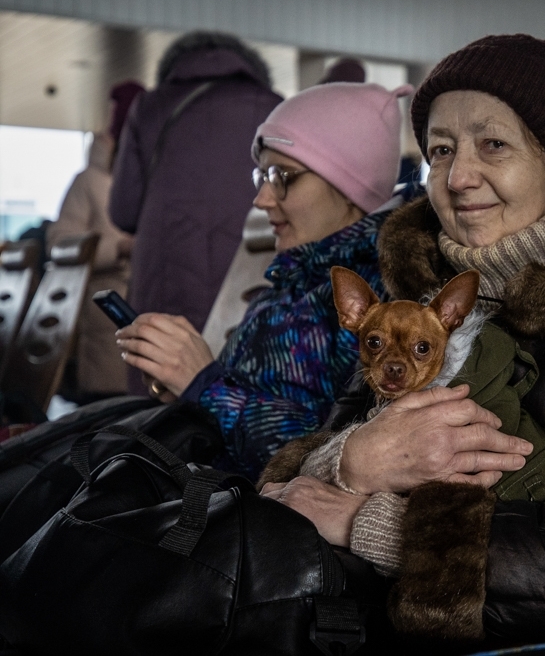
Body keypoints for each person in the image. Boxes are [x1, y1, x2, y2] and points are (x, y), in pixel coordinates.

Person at [262, 34, 545, 647]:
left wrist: (378, 527)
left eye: (493, 145)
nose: (457, 177)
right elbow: (321, 458)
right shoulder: (414, 305)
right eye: (440, 150)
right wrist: (350, 460)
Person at [115, 82, 415, 480]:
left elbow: (329, 456)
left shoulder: (373, 301)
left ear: (349, 187)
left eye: (282, 176)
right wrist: (186, 387)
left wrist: (206, 386)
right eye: (262, 175)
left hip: (239, 519)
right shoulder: (297, 276)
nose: (261, 199)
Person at [108, 31, 283, 395]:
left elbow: (123, 211)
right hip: (253, 276)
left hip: (164, 277)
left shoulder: (150, 106)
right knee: (243, 398)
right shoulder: (274, 106)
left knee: (156, 398)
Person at [47, 80, 144, 402]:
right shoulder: (88, 181)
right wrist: (117, 248)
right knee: (106, 415)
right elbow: (59, 242)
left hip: (151, 305)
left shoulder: (156, 177)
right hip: (106, 315)